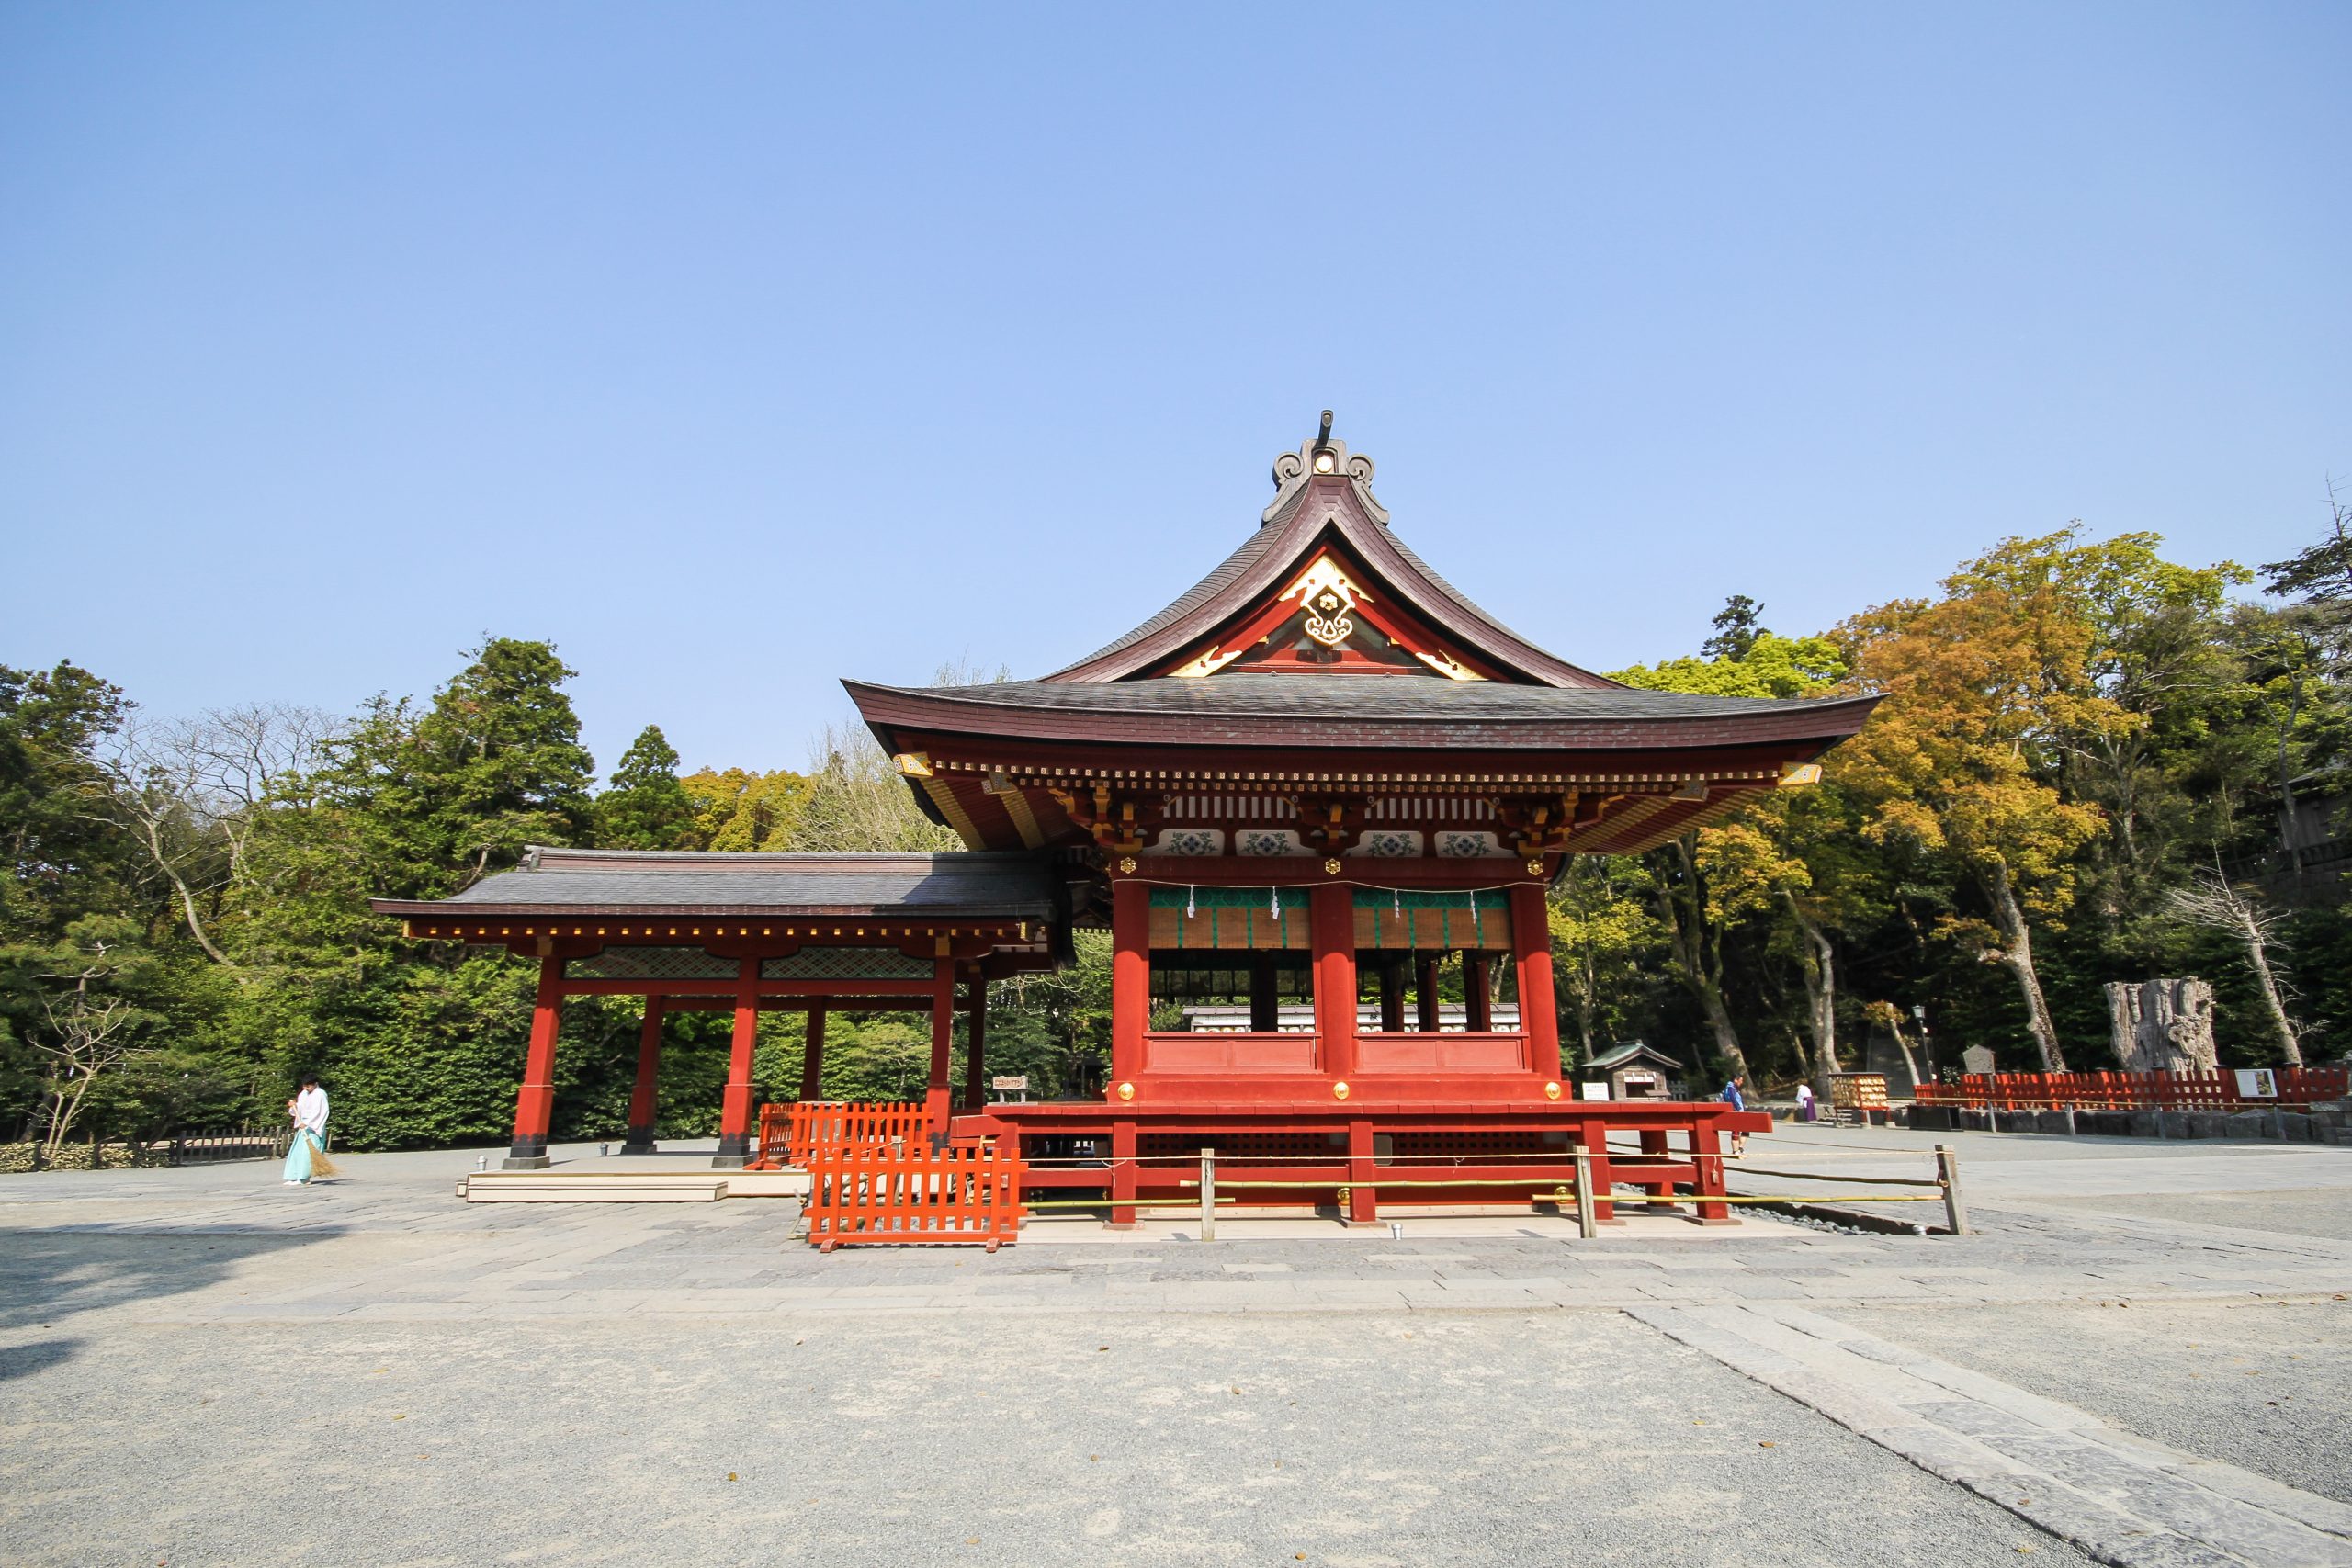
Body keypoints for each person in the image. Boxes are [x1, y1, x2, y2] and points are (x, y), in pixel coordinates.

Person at [282, 1074, 333, 1185]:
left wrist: (307, 1123)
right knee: (297, 1152)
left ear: (315, 1084)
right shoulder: (303, 1094)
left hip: (313, 1127)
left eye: (308, 1086)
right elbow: (300, 1108)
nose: (306, 1088)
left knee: (307, 1153)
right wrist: (294, 1106)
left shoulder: (320, 1094)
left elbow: (320, 1112)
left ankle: (304, 1178)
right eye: (304, 1086)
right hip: (303, 1125)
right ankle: (294, 1176)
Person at [1719, 1074, 1749, 1156]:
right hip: (1736, 1112)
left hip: (1741, 1111)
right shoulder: (1730, 1088)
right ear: (1735, 1080)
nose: (1741, 1082)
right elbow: (1733, 1100)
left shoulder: (1734, 1088)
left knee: (1746, 1130)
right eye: (1740, 1080)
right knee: (1736, 1130)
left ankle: (1740, 1148)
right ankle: (1735, 1150)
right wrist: (1738, 1109)